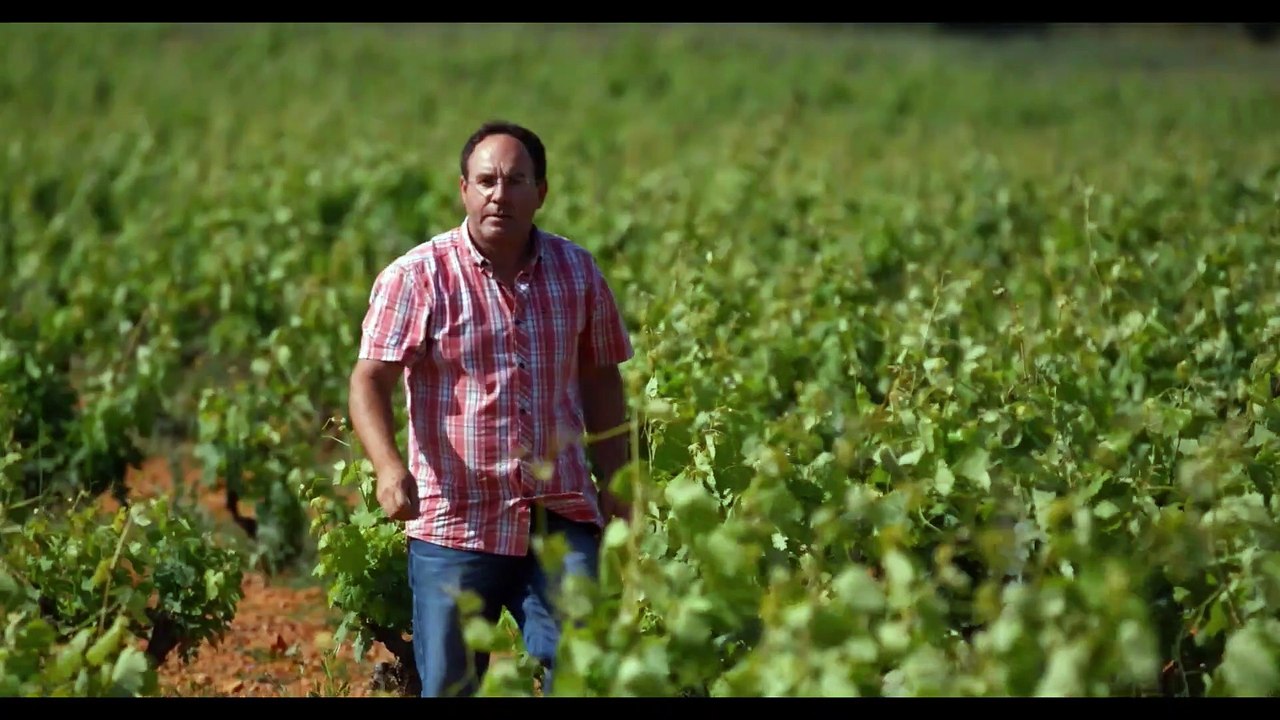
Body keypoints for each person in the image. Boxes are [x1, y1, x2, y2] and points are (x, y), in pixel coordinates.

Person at [347, 120, 634, 697]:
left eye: (515, 180)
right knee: (452, 685)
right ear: (464, 190)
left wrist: (620, 482)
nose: (499, 194)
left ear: (541, 193)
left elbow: (602, 379)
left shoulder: (578, 271)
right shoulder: (417, 277)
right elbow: (369, 380)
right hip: (456, 518)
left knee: (583, 666)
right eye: (486, 181)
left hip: (558, 511)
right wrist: (388, 467)